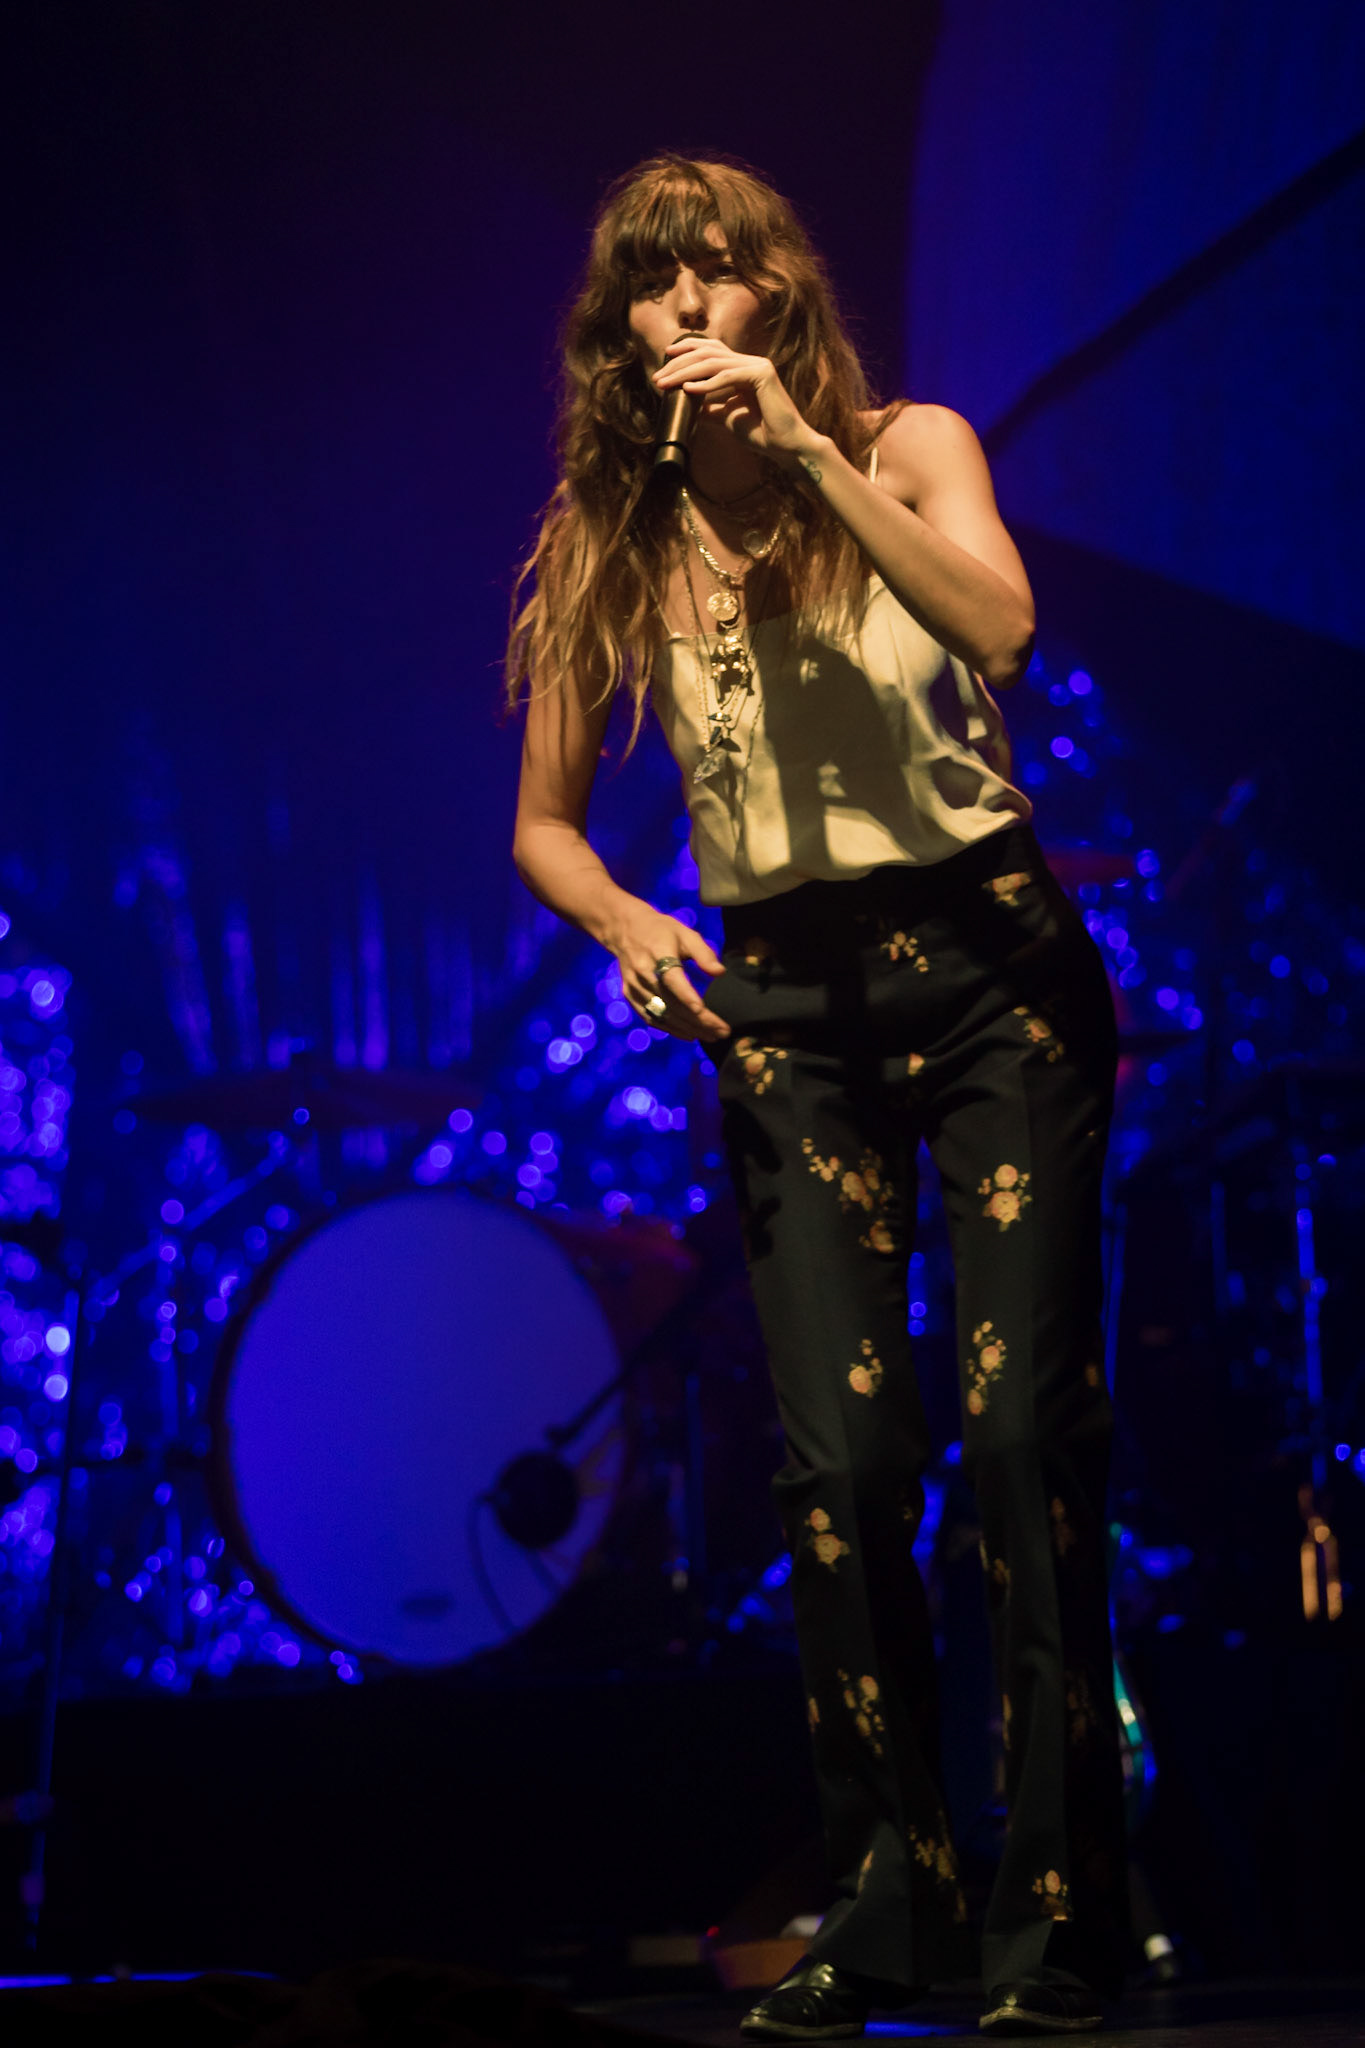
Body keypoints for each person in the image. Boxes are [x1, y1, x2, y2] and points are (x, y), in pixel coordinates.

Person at [509, 154, 1128, 2040]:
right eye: (657, 284)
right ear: (623, 327)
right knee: (846, 1471)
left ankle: (1056, 1919)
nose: (693, 305)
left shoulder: (910, 441)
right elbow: (539, 823)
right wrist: (622, 911)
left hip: (991, 976)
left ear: (779, 297)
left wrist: (804, 451)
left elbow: (1000, 631)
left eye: (726, 273)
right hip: (785, 1008)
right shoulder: (607, 539)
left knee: (1017, 1438)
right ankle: (892, 1908)